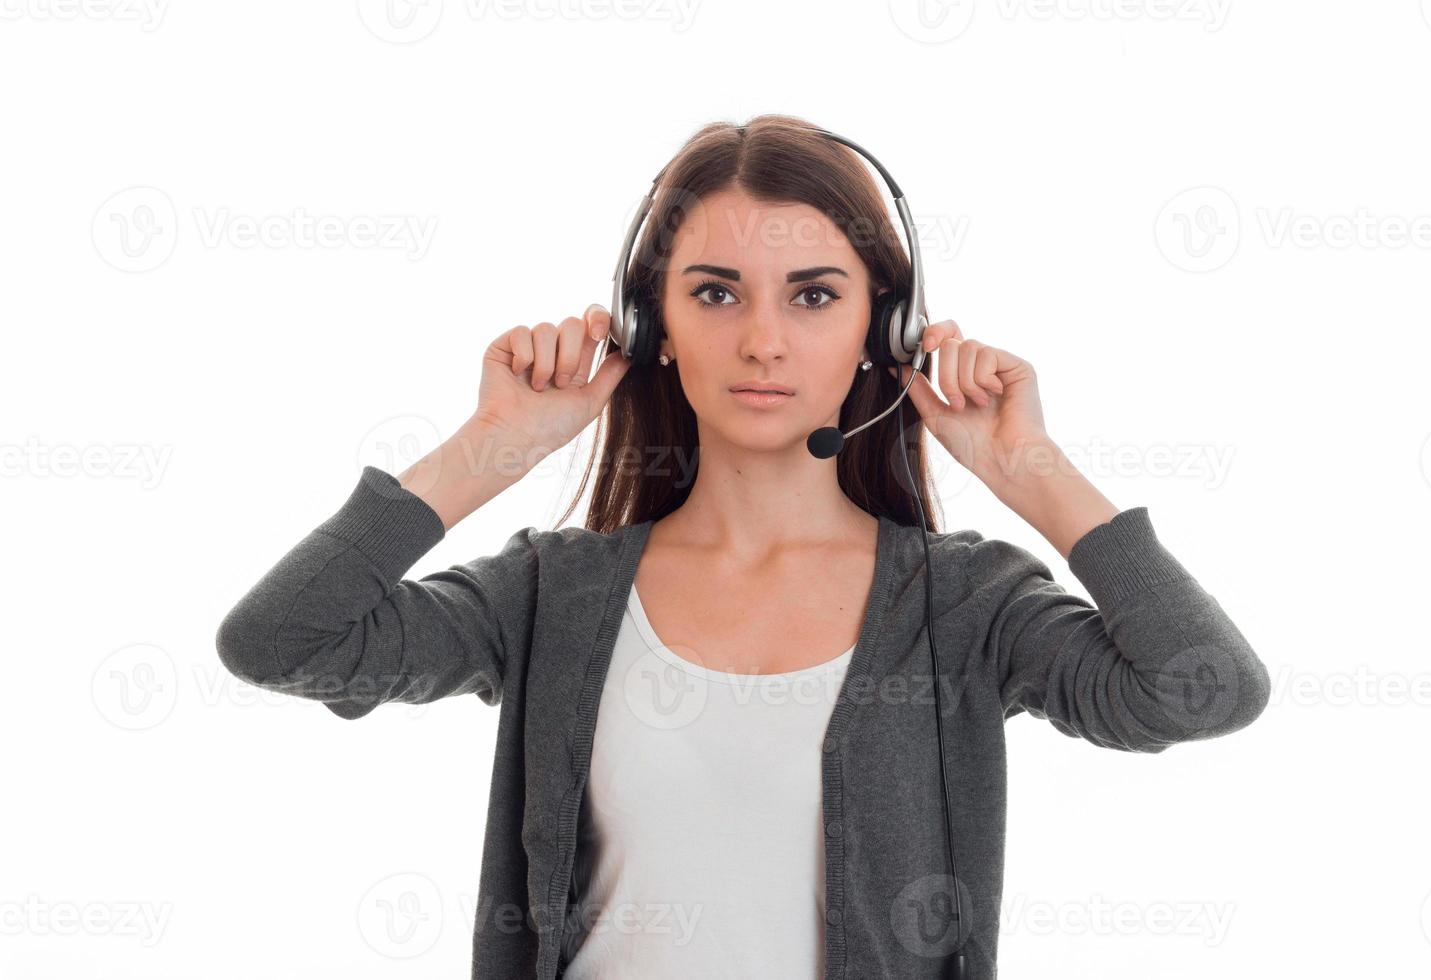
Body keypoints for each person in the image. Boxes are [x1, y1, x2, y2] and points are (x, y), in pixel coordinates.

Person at [216, 113, 1271, 980]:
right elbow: (280, 639)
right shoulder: (554, 592)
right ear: (656, 323)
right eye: (716, 292)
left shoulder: (964, 605)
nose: (763, 339)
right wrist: (488, 448)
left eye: (814, 294)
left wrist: (1033, 470)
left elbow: (1204, 687)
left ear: (883, 331)